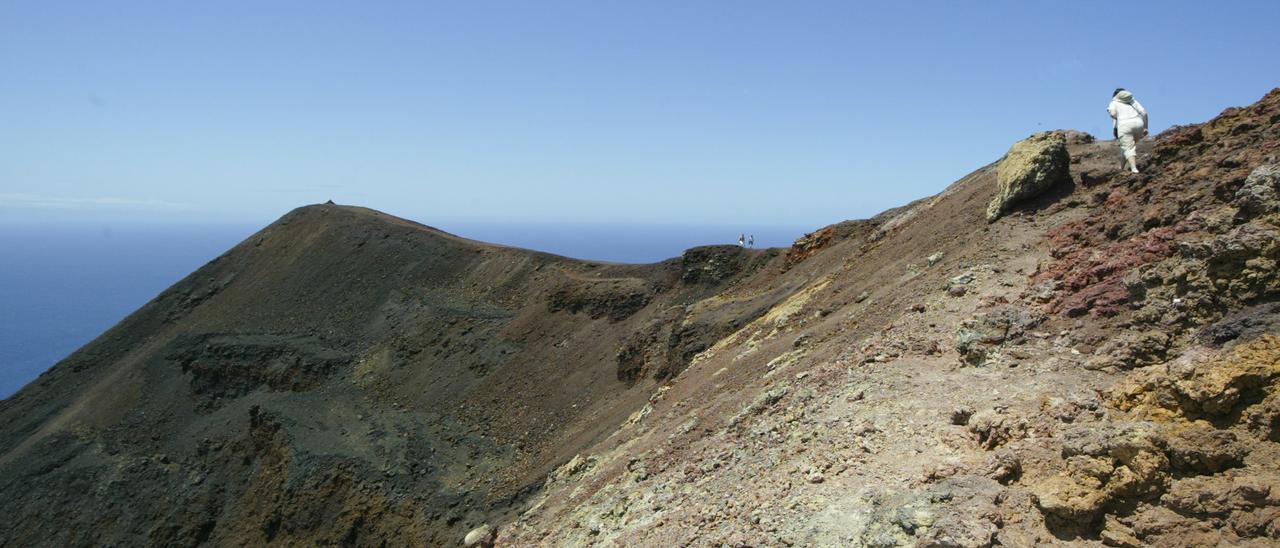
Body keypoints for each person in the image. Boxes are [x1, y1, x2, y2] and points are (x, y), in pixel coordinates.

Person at [1108, 88, 1148, 173]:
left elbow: (1113, 114)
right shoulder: (1133, 101)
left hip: (1125, 125)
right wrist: (1145, 127)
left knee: (1128, 147)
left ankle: (1134, 169)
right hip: (1139, 124)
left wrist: (1116, 117)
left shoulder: (1114, 103)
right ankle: (1121, 167)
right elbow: (1144, 113)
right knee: (1126, 146)